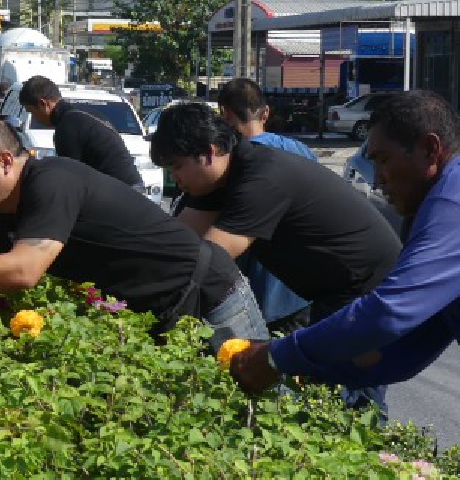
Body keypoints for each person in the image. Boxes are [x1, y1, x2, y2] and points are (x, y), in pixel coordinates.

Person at [0, 115, 266, 352]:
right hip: (163, 310)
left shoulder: (52, 180)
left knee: (263, 398)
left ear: (5, 161)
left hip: (210, 293)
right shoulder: (3, 211)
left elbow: (24, 269)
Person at [151, 102, 402, 410]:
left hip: (367, 289)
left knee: (351, 402)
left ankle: (380, 455)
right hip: (330, 291)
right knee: (322, 396)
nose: (175, 178)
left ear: (210, 150)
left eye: (177, 166)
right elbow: (175, 248)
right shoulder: (218, 179)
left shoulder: (260, 176)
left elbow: (208, 264)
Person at [230, 91, 460, 395]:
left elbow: (388, 313)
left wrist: (276, 355)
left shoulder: (451, 200)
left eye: (383, 160)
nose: (377, 180)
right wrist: (302, 366)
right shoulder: (436, 201)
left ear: (430, 149)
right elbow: (412, 346)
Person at [215, 78, 313, 334]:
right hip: (302, 293)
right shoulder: (300, 150)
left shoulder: (234, 160)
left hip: (254, 297)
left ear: (224, 114)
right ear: (266, 112)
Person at [17, 75, 143, 188]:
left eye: (32, 111)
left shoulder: (67, 126)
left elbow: (70, 180)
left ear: (43, 104)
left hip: (120, 194)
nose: (36, 118)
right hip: (133, 189)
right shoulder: (84, 115)